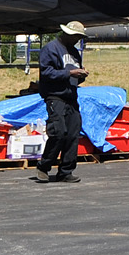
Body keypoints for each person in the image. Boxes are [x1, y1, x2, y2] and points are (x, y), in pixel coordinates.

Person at [34, 21, 89, 183]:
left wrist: (81, 75)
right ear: (68, 34)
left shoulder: (74, 52)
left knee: (72, 134)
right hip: (55, 96)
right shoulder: (50, 49)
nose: (78, 40)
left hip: (71, 97)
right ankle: (44, 166)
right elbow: (47, 73)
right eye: (76, 36)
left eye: (80, 37)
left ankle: (66, 171)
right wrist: (70, 72)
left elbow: (73, 75)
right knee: (58, 132)